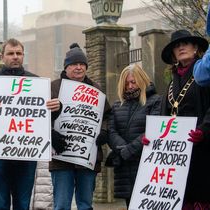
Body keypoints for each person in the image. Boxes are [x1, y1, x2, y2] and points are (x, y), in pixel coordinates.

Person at [0, 38, 60, 210]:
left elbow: (45, 116)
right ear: (2, 56)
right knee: (0, 203)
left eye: (18, 53)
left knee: (23, 203)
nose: (15, 57)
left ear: (23, 55)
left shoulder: (36, 82)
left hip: (26, 153)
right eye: (11, 53)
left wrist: (56, 107)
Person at [150, 29, 210, 208]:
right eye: (177, 46)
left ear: (195, 48)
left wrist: (204, 130)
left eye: (185, 43)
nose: (181, 47)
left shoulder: (205, 76)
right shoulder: (171, 81)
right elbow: (164, 116)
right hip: (176, 158)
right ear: (173, 54)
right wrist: (153, 140)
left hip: (202, 151)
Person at [49, 43, 110, 210]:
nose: (78, 68)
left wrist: (103, 131)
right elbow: (40, 117)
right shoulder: (53, 87)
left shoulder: (95, 89)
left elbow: (106, 115)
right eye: (74, 64)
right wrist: (50, 134)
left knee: (85, 204)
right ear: (66, 67)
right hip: (61, 157)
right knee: (61, 205)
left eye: (82, 64)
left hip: (87, 157)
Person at [107, 64, 161, 206]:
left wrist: (129, 150)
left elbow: (153, 130)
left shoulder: (156, 101)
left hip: (146, 164)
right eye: (126, 83)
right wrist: (123, 149)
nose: (130, 86)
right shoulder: (117, 105)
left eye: (133, 82)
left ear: (142, 80)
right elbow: (111, 132)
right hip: (125, 167)